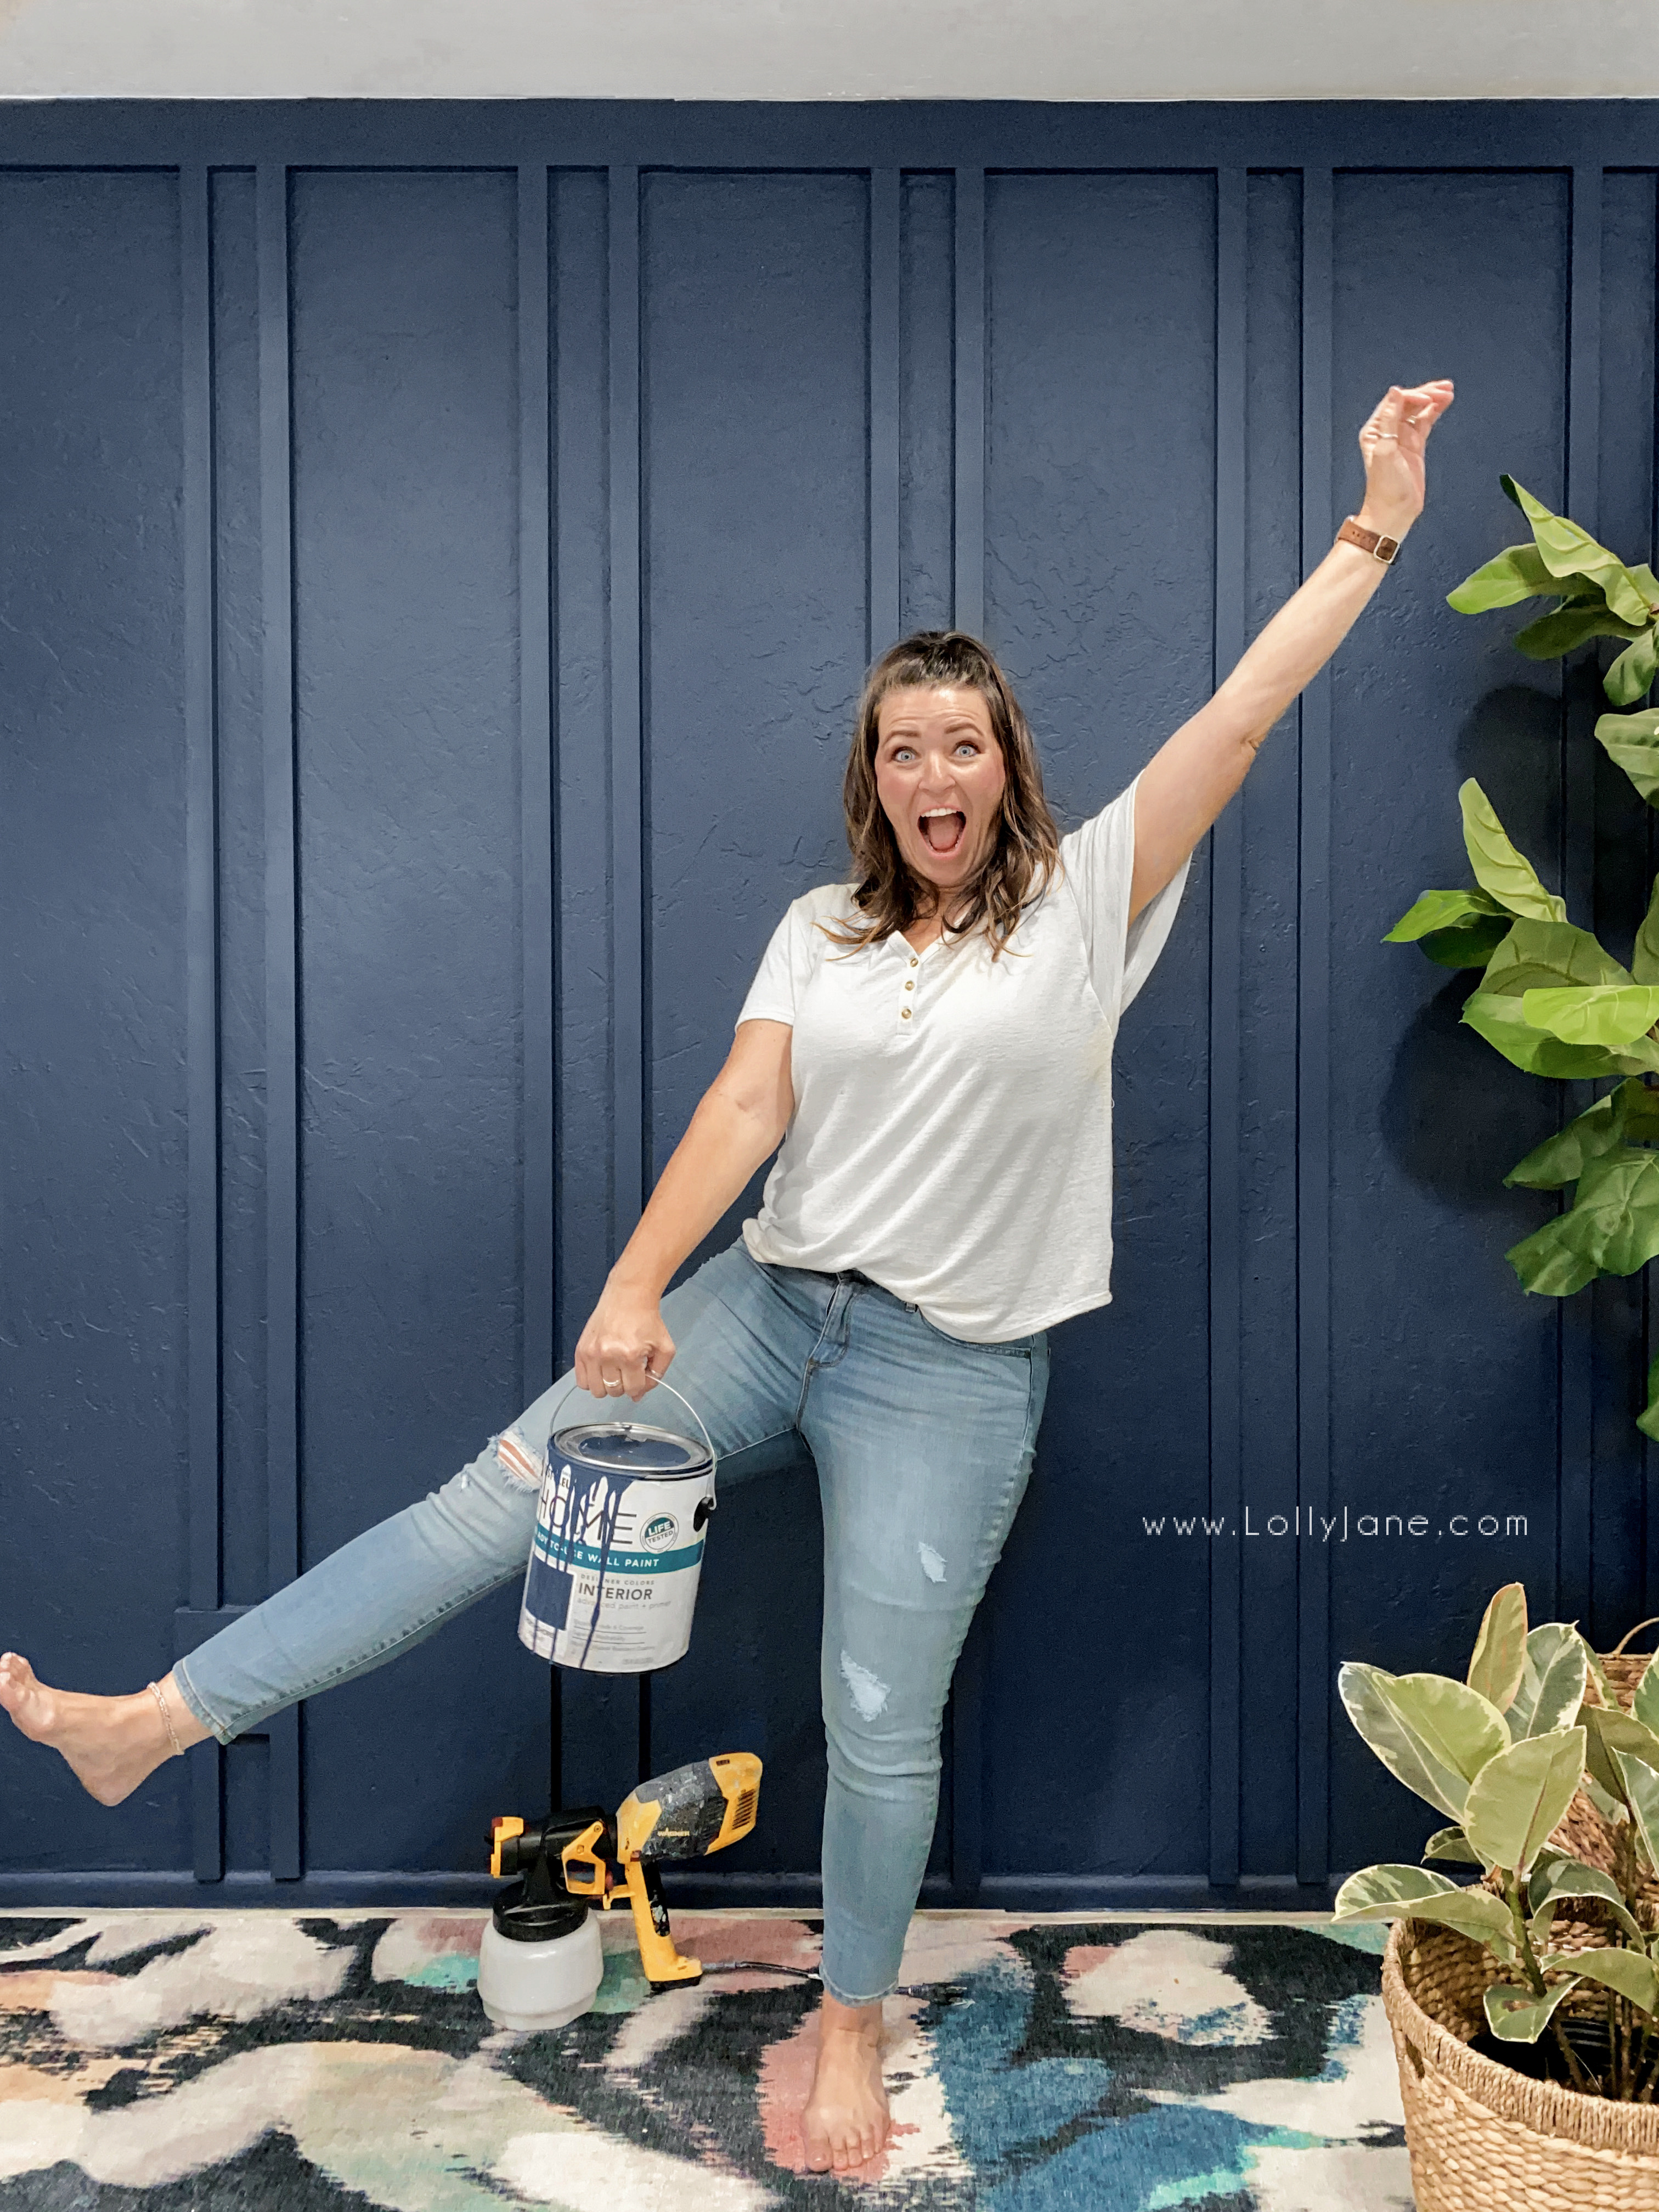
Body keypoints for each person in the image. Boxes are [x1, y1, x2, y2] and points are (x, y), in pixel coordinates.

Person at [2, 379, 1452, 2174]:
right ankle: (158, 1722)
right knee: (489, 1503)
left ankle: (850, 2027)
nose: (937, 774)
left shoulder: (1085, 904)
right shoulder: (822, 932)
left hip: (950, 1370)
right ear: (875, 779)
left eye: (965, 743)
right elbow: (747, 1102)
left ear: (1011, 768)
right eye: (905, 748)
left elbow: (1244, 714)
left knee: (873, 1713)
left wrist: (1375, 516)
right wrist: (632, 1287)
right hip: (768, 1315)